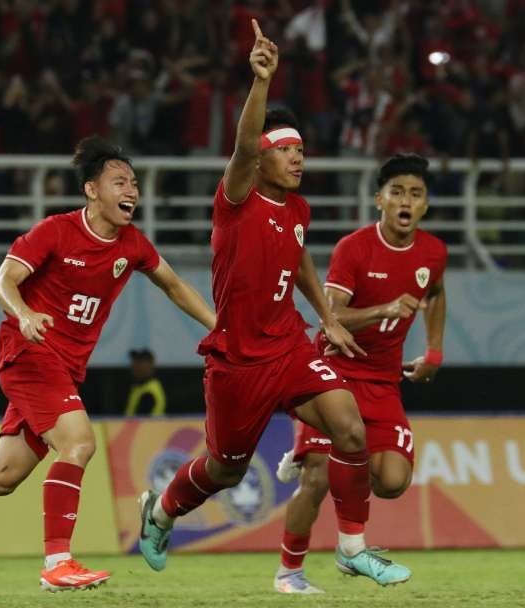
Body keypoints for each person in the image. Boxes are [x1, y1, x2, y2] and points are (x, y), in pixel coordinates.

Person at [0, 137, 216, 593]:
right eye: (119, 181)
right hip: (27, 352)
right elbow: (2, 280)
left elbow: (174, 284)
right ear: (91, 190)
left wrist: (217, 324)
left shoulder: (133, 245)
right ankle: (58, 563)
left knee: (0, 477)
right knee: (79, 443)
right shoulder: (55, 231)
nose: (132, 191)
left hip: (63, 368)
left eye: (134, 182)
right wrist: (24, 313)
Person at [136, 20, 410, 587]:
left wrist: (328, 318)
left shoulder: (298, 211)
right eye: (285, 150)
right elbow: (242, 145)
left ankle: (353, 547)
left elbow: (301, 258)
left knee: (350, 428)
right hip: (238, 361)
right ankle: (161, 511)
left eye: (301, 151)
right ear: (260, 161)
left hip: (288, 347)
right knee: (224, 469)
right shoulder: (235, 199)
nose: (297, 159)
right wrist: (260, 81)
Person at [271, 153, 448, 594]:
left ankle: (324, 464)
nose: (406, 200)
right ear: (380, 200)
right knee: (315, 479)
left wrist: (433, 352)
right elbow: (331, 316)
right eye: (398, 192)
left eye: (416, 194)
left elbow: (437, 293)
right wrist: (384, 310)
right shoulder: (355, 248)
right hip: (334, 371)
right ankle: (289, 573)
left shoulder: (433, 253)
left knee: (392, 480)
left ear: (425, 205)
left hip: (383, 381)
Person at [124, 348, 167, 416]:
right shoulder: (139, 387)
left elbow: (139, 420)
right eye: (134, 360)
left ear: (151, 364)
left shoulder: (149, 392)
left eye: (140, 361)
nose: (135, 365)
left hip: (146, 426)